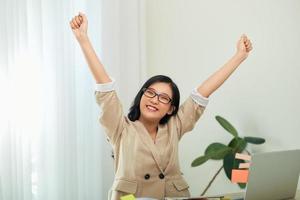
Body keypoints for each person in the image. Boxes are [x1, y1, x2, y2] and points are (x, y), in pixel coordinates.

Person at [69, 12, 253, 200]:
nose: (155, 99)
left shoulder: (175, 126)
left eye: (164, 98)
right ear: (141, 96)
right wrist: (83, 39)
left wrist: (239, 56)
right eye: (150, 92)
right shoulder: (120, 128)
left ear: (171, 108)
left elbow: (203, 92)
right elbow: (106, 88)